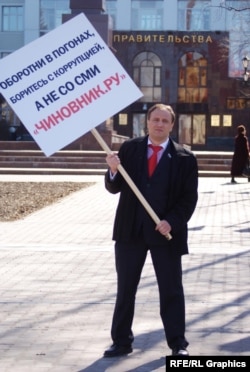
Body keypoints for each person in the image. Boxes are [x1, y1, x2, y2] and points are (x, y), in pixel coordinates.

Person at [103, 103, 198, 357]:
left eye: (164, 121)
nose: (159, 124)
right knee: (126, 289)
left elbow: (189, 199)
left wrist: (172, 221)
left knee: (171, 290)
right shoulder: (130, 149)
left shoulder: (185, 158)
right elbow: (115, 187)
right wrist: (112, 170)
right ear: (147, 122)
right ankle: (121, 341)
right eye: (155, 119)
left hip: (165, 233)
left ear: (171, 125)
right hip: (130, 231)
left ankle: (178, 344)